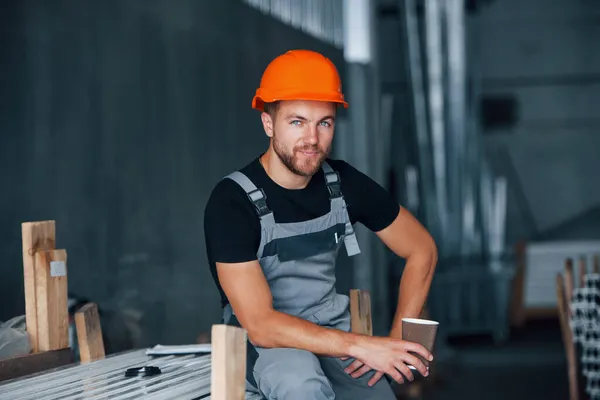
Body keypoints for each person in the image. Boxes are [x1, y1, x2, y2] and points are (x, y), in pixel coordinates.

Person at [204, 49, 438, 400]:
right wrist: (361, 345)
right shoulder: (232, 202)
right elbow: (262, 325)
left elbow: (422, 250)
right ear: (268, 123)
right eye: (297, 121)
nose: (312, 139)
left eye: (324, 122)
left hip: (331, 325)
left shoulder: (343, 184)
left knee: (376, 393)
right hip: (264, 342)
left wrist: (401, 342)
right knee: (302, 387)